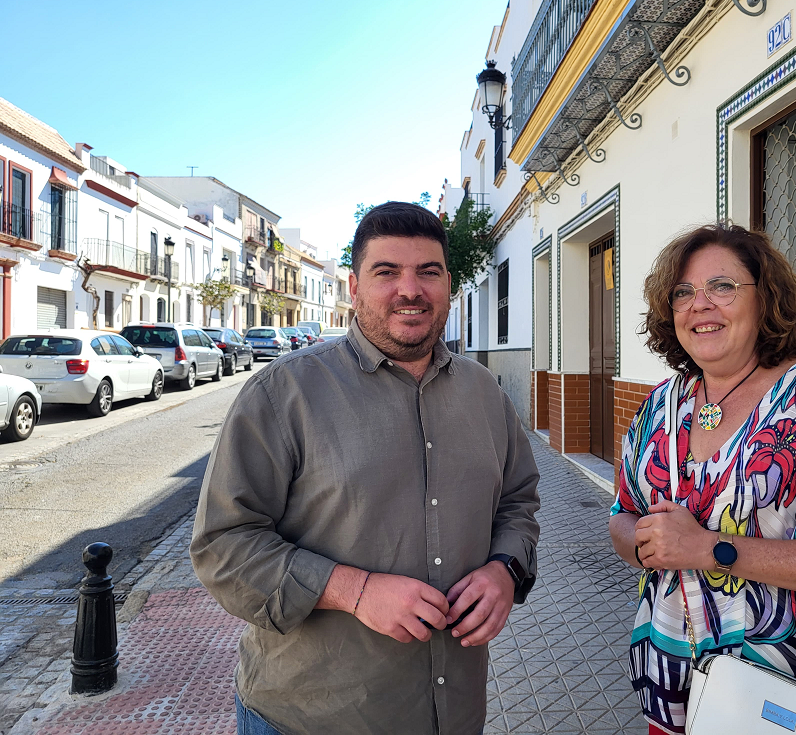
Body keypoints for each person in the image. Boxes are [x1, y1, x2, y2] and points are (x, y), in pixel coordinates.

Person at [191, 201, 541, 735]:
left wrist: (505, 570)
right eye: (387, 272)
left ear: (449, 285)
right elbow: (222, 546)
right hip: (309, 717)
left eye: (429, 272)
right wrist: (354, 591)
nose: (410, 289)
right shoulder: (283, 394)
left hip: (457, 713)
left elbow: (519, 501)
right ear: (352, 288)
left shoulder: (485, 393)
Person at [609, 222, 796, 735]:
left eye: (721, 286)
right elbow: (622, 516)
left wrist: (708, 549)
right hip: (671, 695)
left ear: (765, 300)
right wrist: (647, 543)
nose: (699, 304)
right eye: (683, 293)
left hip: (786, 701)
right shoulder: (659, 406)